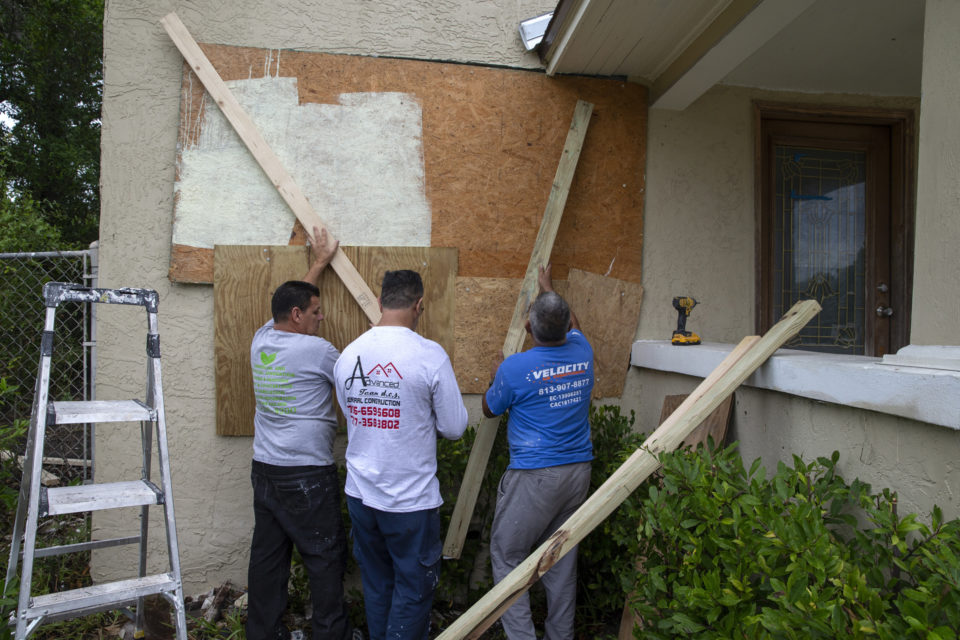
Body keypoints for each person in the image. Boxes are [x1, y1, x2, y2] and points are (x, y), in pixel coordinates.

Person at [333, 269, 468, 640]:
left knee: (378, 584)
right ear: (419, 305)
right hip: (410, 502)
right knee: (413, 588)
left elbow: (350, 414)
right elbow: (455, 427)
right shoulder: (428, 356)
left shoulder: (348, 355)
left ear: (380, 302)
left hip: (362, 495)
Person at [246, 227, 355, 640]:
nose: (320, 316)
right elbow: (357, 385)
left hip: (266, 471)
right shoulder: (319, 351)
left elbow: (294, 299)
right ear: (297, 316)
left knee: (268, 560)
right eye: (315, 311)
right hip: (307, 476)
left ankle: (261, 633)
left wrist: (319, 264)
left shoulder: (261, 341)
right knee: (324, 559)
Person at [482, 264, 595, 640]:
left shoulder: (516, 367)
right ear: (567, 329)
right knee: (560, 558)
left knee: (507, 554)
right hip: (577, 473)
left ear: (528, 328)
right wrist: (549, 289)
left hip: (536, 476)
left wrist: (498, 373)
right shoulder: (583, 350)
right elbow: (574, 322)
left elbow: (489, 408)